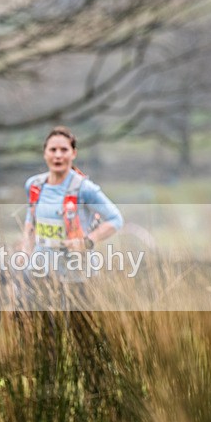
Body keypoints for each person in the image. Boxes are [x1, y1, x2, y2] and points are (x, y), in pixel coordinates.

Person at [22, 126, 123, 313]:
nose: (58, 155)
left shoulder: (85, 188)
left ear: (73, 153)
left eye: (64, 150)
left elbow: (115, 219)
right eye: (53, 150)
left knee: (81, 329)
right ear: (45, 153)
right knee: (43, 327)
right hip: (42, 274)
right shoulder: (34, 185)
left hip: (78, 276)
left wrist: (87, 241)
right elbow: (31, 221)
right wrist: (24, 256)